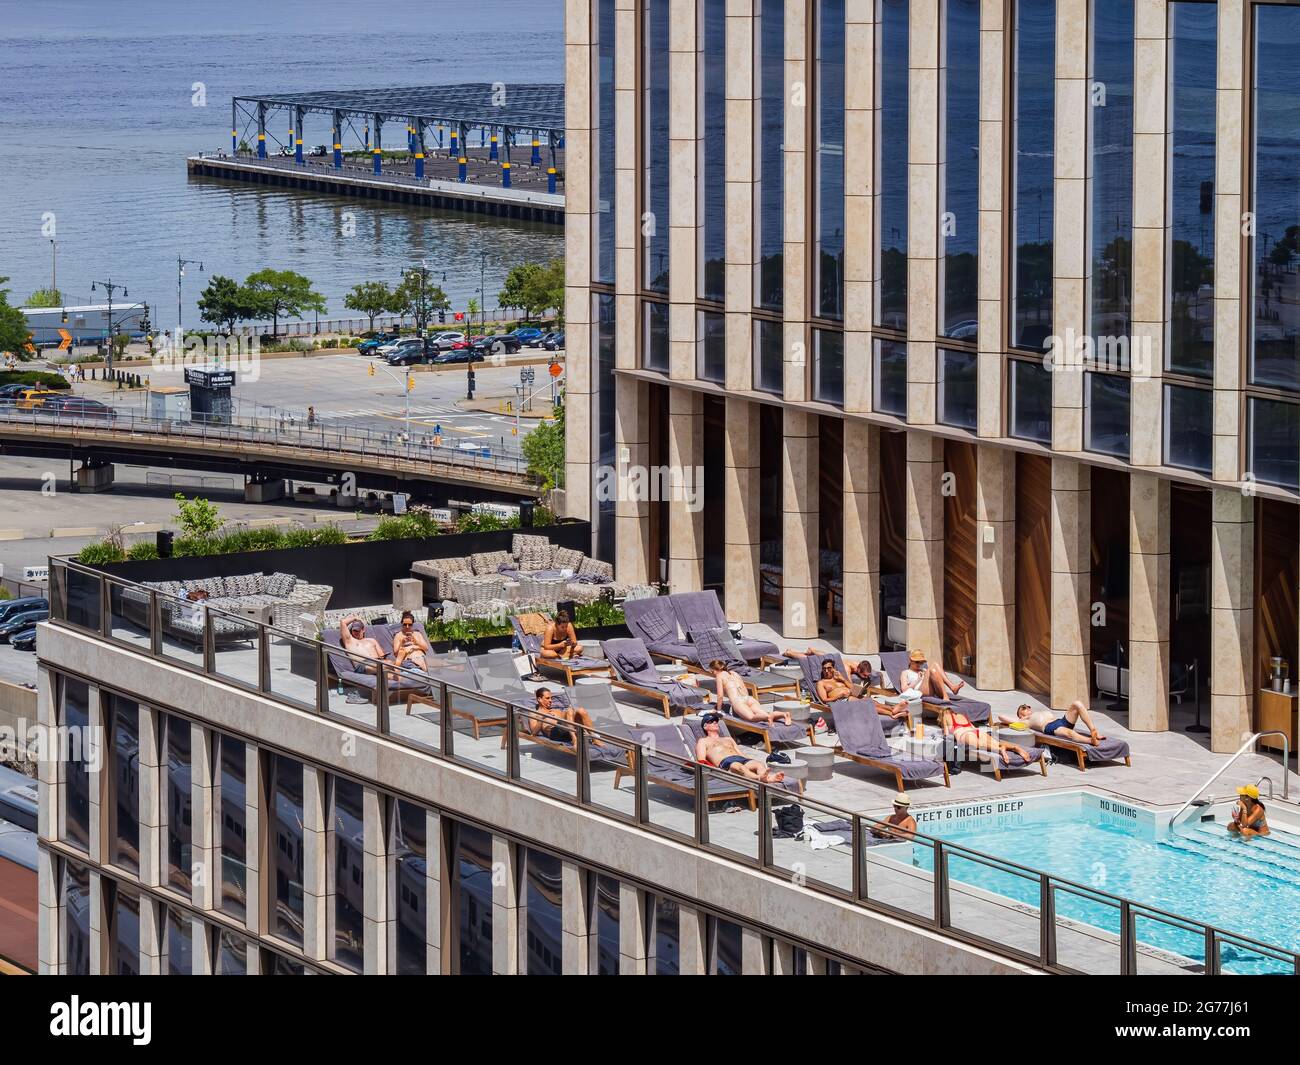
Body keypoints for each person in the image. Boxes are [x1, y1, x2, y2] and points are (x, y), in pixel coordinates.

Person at [694, 713, 786, 784]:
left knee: (759, 764)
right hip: (727, 762)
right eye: (711, 722)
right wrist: (714, 770)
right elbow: (701, 760)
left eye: (716, 721)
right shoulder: (703, 741)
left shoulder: (728, 739)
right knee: (741, 768)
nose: (715, 723)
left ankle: (767, 778)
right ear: (705, 726)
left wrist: (750, 760)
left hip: (740, 759)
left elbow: (739, 752)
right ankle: (760, 778)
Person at [938, 705, 1033, 763]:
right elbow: (973, 727)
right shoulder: (961, 716)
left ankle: (1000, 750)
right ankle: (1014, 747)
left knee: (981, 745)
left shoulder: (945, 716)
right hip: (977, 731)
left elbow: (947, 735)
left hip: (965, 735)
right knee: (996, 742)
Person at [710, 659, 792, 724]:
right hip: (748, 698)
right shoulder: (734, 673)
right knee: (763, 713)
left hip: (738, 701)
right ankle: (783, 714)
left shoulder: (719, 676)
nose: (713, 673)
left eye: (712, 671)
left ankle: (768, 718)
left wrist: (718, 710)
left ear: (715, 669)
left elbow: (720, 696)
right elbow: (744, 687)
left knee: (751, 717)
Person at [999, 700, 1107, 745]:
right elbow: (1001, 716)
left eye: (1027, 706)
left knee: (1077, 704)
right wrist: (1020, 719)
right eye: (1024, 707)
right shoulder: (1024, 721)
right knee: (1069, 733)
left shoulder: (1036, 713)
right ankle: (1090, 741)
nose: (1027, 707)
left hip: (1061, 721)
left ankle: (1093, 730)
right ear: (1021, 714)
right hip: (1050, 727)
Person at [526, 686, 595, 744]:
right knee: (569, 711)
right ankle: (574, 738)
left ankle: (594, 737)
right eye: (547, 698)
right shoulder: (535, 713)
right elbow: (534, 733)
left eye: (551, 698)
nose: (550, 700)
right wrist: (544, 717)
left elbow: (568, 719)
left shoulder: (556, 711)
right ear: (539, 699)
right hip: (555, 733)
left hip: (567, 731)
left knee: (580, 710)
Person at [901, 649, 965, 700]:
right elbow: (904, 690)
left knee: (934, 667)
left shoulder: (924, 670)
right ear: (910, 661)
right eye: (917, 662)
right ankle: (947, 694)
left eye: (921, 662)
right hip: (920, 691)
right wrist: (918, 680)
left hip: (934, 690)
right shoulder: (905, 672)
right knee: (933, 666)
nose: (919, 664)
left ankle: (951, 688)